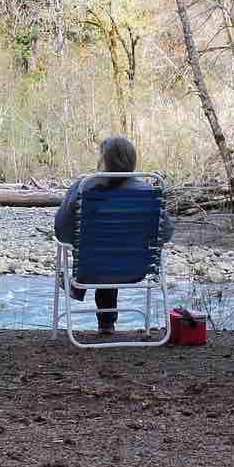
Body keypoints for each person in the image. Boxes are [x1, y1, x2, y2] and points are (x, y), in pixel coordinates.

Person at [54, 136, 175, 335]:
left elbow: (61, 229)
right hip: (135, 268)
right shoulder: (149, 192)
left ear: (104, 160)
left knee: (100, 252)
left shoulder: (85, 187)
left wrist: (77, 242)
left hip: (91, 267)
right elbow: (166, 234)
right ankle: (107, 324)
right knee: (111, 252)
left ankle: (84, 296)